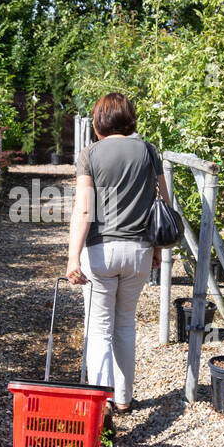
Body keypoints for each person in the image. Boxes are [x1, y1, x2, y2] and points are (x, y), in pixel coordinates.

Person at [66, 92, 173, 415]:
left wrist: (73, 258)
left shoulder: (90, 155)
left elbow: (84, 210)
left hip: (100, 252)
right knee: (125, 325)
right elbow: (164, 205)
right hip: (139, 251)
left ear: (99, 122)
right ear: (130, 120)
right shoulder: (148, 152)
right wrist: (156, 250)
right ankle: (124, 398)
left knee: (99, 328)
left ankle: (100, 402)